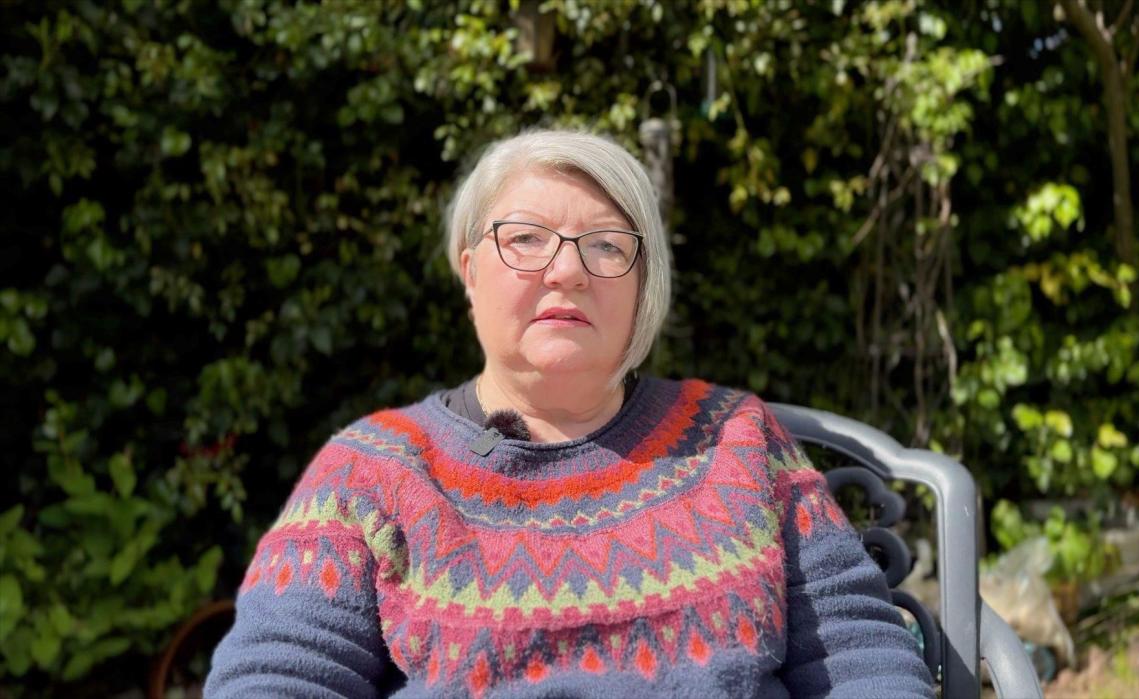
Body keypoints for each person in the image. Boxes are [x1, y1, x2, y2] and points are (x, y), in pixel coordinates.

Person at [205, 130, 935, 698]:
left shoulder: (735, 439)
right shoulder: (373, 471)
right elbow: (276, 677)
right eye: (525, 238)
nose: (566, 269)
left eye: (606, 245)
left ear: (642, 288)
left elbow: (857, 654)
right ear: (470, 271)